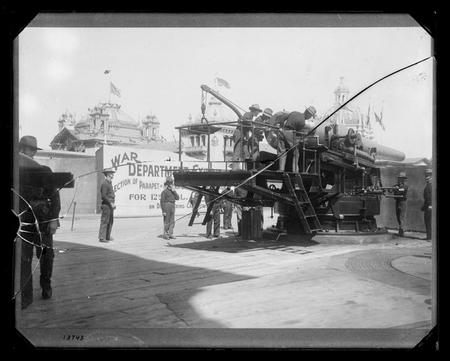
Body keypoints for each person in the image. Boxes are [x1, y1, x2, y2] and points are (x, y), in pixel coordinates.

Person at [18, 136, 61, 309]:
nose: (25, 152)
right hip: (24, 223)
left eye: (29, 149)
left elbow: (54, 196)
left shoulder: (44, 170)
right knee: (24, 260)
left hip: (43, 222)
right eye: (23, 149)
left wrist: (53, 220)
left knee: (46, 257)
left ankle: (46, 286)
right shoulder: (15, 172)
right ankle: (26, 297)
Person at [276, 106, 317, 172]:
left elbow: (283, 117)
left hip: (281, 131)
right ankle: (295, 170)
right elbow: (297, 133)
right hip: (289, 133)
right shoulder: (302, 122)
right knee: (296, 152)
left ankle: (281, 169)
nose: (310, 118)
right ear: (308, 114)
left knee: (282, 151)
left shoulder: (294, 112)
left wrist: (281, 126)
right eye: (310, 116)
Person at [231, 104, 262, 170]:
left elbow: (247, 127)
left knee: (246, 152)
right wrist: (252, 128)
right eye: (257, 111)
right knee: (237, 150)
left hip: (243, 134)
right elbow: (245, 121)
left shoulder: (250, 116)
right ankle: (234, 168)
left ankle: (246, 168)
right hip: (239, 133)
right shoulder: (248, 114)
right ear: (254, 111)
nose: (258, 113)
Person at [98, 168, 116, 243]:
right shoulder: (105, 184)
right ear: (108, 174)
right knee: (105, 221)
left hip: (111, 205)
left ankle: (107, 236)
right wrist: (110, 203)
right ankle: (102, 237)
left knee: (110, 221)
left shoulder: (109, 183)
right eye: (112, 173)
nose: (113, 174)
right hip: (106, 205)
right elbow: (104, 196)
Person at [392, 171, 408, 236]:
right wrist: (393, 189)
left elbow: (401, 191)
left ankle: (402, 231)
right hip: (397, 201)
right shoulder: (396, 186)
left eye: (401, 179)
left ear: (403, 180)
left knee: (402, 217)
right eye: (399, 178)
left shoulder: (405, 186)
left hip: (402, 202)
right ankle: (401, 230)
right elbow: (391, 190)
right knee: (398, 216)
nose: (400, 180)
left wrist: (396, 189)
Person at [421, 169, 432, 240]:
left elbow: (430, 197)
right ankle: (429, 237)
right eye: (426, 175)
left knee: (428, 221)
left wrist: (430, 205)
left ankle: (429, 237)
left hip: (430, 207)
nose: (427, 177)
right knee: (428, 221)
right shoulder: (428, 185)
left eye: (428, 175)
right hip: (428, 206)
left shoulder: (430, 186)